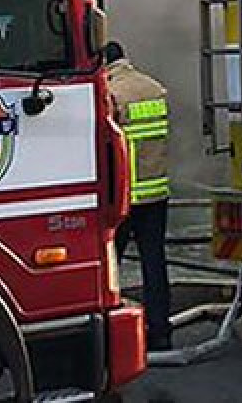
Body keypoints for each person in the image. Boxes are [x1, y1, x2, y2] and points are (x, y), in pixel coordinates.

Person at [104, 41, 173, 351]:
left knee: (111, 269)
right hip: (156, 194)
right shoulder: (154, 88)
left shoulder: (111, 95)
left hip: (123, 196)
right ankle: (161, 332)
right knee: (154, 264)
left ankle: (113, 337)